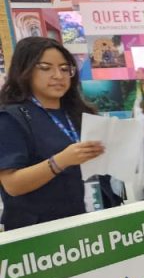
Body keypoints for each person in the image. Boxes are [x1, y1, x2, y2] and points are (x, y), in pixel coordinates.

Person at [0, 37, 105, 230]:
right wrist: (61, 161)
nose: (58, 75)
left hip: (93, 221)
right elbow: (12, 185)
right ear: (25, 70)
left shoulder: (81, 113)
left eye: (65, 69)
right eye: (46, 68)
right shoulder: (11, 117)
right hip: (42, 233)